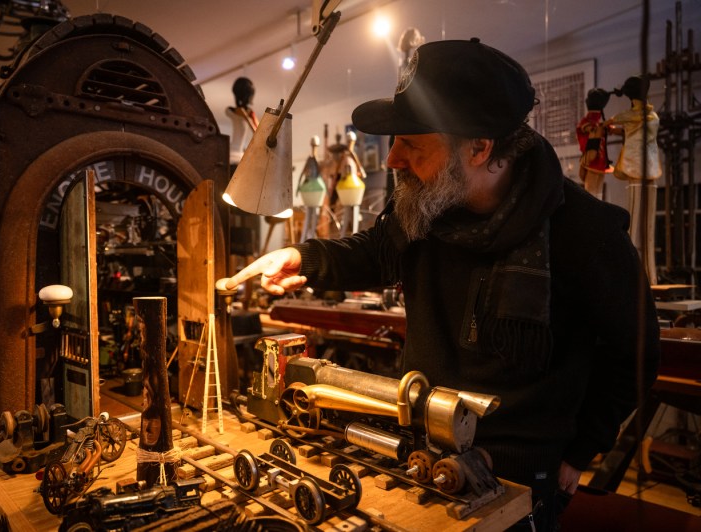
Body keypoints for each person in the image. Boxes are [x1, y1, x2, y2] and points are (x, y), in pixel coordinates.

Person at [225, 38, 660, 531]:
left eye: (412, 143)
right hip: (419, 447)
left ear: (480, 147)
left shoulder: (586, 233)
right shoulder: (429, 209)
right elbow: (377, 249)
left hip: (519, 473)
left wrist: (583, 450)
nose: (393, 160)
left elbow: (635, 355)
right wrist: (302, 256)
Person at [606, 75, 662, 285]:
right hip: (651, 171)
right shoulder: (652, 116)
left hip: (637, 172)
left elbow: (611, 122)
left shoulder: (630, 115)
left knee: (635, 228)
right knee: (647, 231)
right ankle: (650, 276)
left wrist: (609, 128)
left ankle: (637, 279)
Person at [576, 88, 612, 199]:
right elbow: (590, 129)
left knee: (598, 194)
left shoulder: (596, 122)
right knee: (591, 194)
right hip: (592, 161)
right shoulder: (587, 122)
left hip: (600, 161)